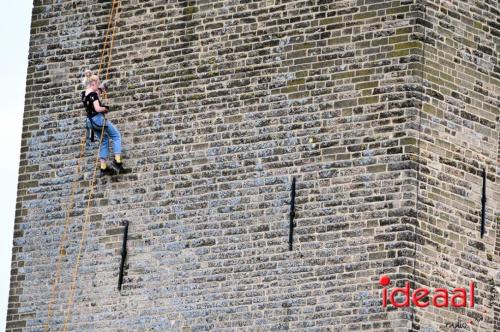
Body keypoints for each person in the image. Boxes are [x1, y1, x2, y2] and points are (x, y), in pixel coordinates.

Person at [81, 69, 124, 176]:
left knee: (104, 140)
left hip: (90, 122)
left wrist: (101, 89)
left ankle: (103, 167)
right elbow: (97, 108)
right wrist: (105, 108)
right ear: (93, 83)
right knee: (116, 136)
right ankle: (117, 161)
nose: (98, 85)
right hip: (98, 120)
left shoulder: (84, 94)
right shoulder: (94, 95)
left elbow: (93, 95)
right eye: (98, 83)